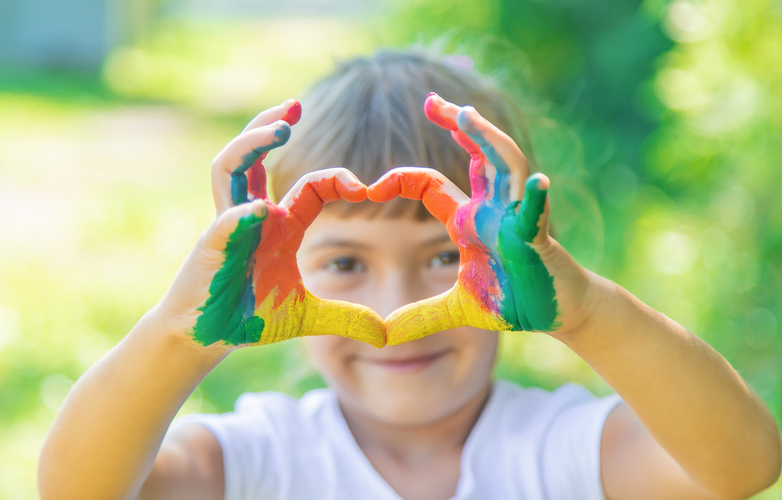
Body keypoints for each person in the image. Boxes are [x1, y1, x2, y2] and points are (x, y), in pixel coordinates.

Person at [38, 50, 781, 500]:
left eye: (444, 256)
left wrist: (584, 311)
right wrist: (181, 336)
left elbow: (741, 468)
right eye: (345, 263)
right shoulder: (256, 460)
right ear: (278, 271)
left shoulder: (563, 449)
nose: (396, 309)